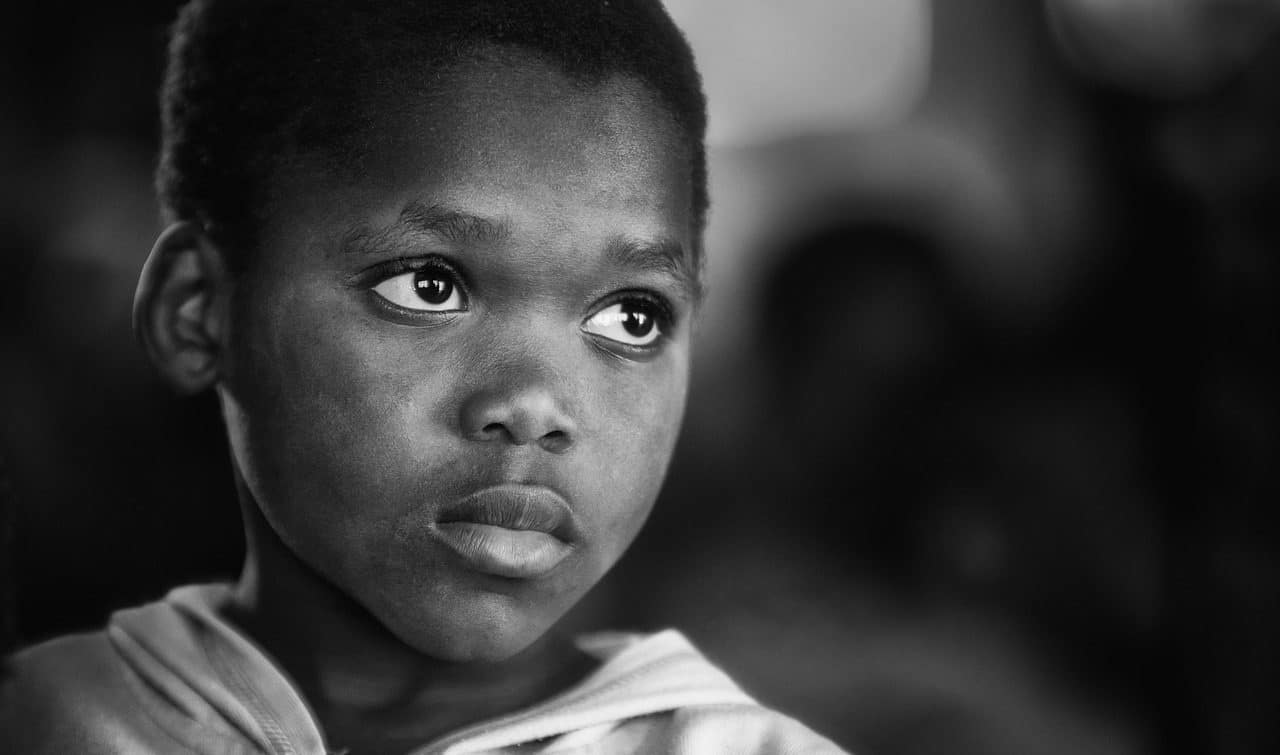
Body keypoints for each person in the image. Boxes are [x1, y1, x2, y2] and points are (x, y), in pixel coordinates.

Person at [0, 1, 845, 752]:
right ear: (199, 313)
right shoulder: (47, 718)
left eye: (630, 316)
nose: (532, 407)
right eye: (429, 286)